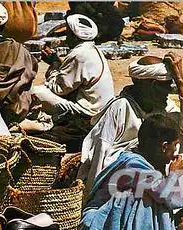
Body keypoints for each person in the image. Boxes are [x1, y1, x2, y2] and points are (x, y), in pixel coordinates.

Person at [78, 52, 183, 204]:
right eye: (165, 86)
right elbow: (101, 154)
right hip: (126, 171)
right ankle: (174, 209)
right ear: (152, 86)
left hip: (153, 166)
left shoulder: (164, 105)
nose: (168, 92)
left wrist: (180, 81)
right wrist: (93, 200)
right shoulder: (120, 107)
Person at [77, 115, 183, 230]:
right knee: (140, 200)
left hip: (109, 226)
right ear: (164, 147)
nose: (175, 153)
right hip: (99, 228)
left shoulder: (143, 159)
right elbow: (165, 195)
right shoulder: (133, 164)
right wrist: (175, 174)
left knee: (149, 197)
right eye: (174, 147)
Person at [20, 14, 114, 152]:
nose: (66, 37)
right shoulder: (92, 50)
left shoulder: (80, 54)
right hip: (99, 109)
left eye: (68, 34)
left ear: (75, 37)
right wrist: (58, 64)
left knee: (36, 92)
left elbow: (58, 88)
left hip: (87, 112)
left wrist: (53, 64)